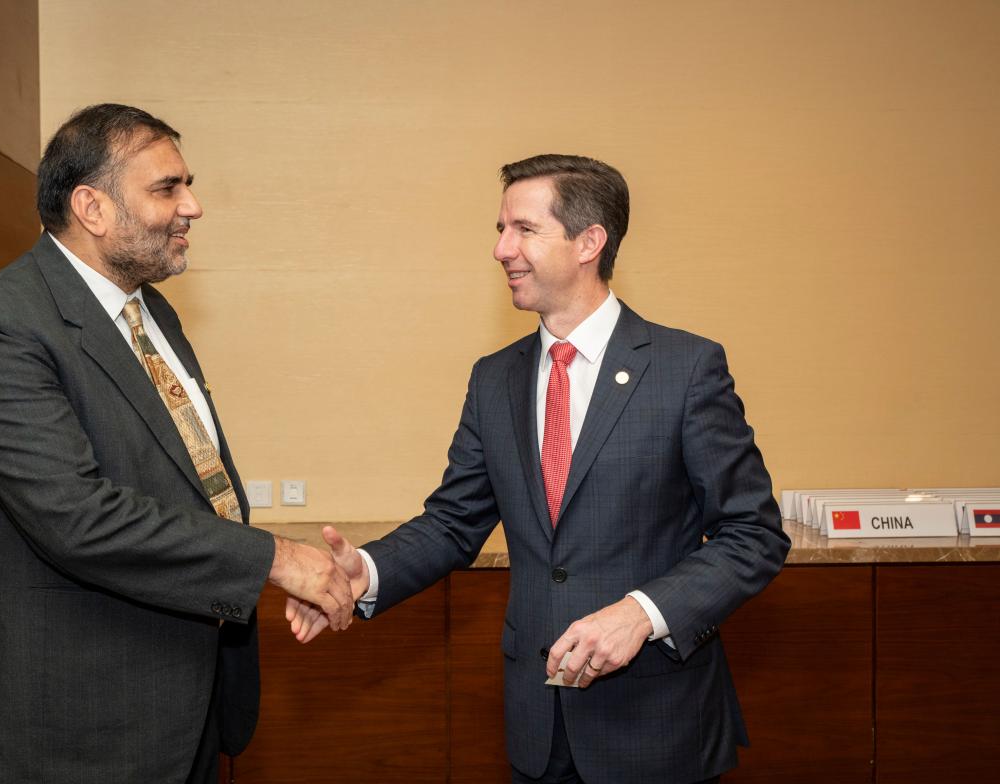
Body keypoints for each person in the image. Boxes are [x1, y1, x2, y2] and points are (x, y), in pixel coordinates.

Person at [291, 154, 790, 783]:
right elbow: (452, 523)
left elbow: (754, 535)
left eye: (524, 230)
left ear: (589, 242)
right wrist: (363, 570)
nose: (502, 249)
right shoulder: (494, 378)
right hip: (537, 725)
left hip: (656, 724)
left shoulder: (685, 369)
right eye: (501, 229)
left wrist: (641, 611)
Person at [0, 103, 353, 784]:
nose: (193, 206)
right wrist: (273, 559)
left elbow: (187, 478)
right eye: (167, 188)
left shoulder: (151, 309)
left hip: (188, 707)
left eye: (187, 184)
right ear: (92, 207)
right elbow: (77, 516)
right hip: (77, 732)